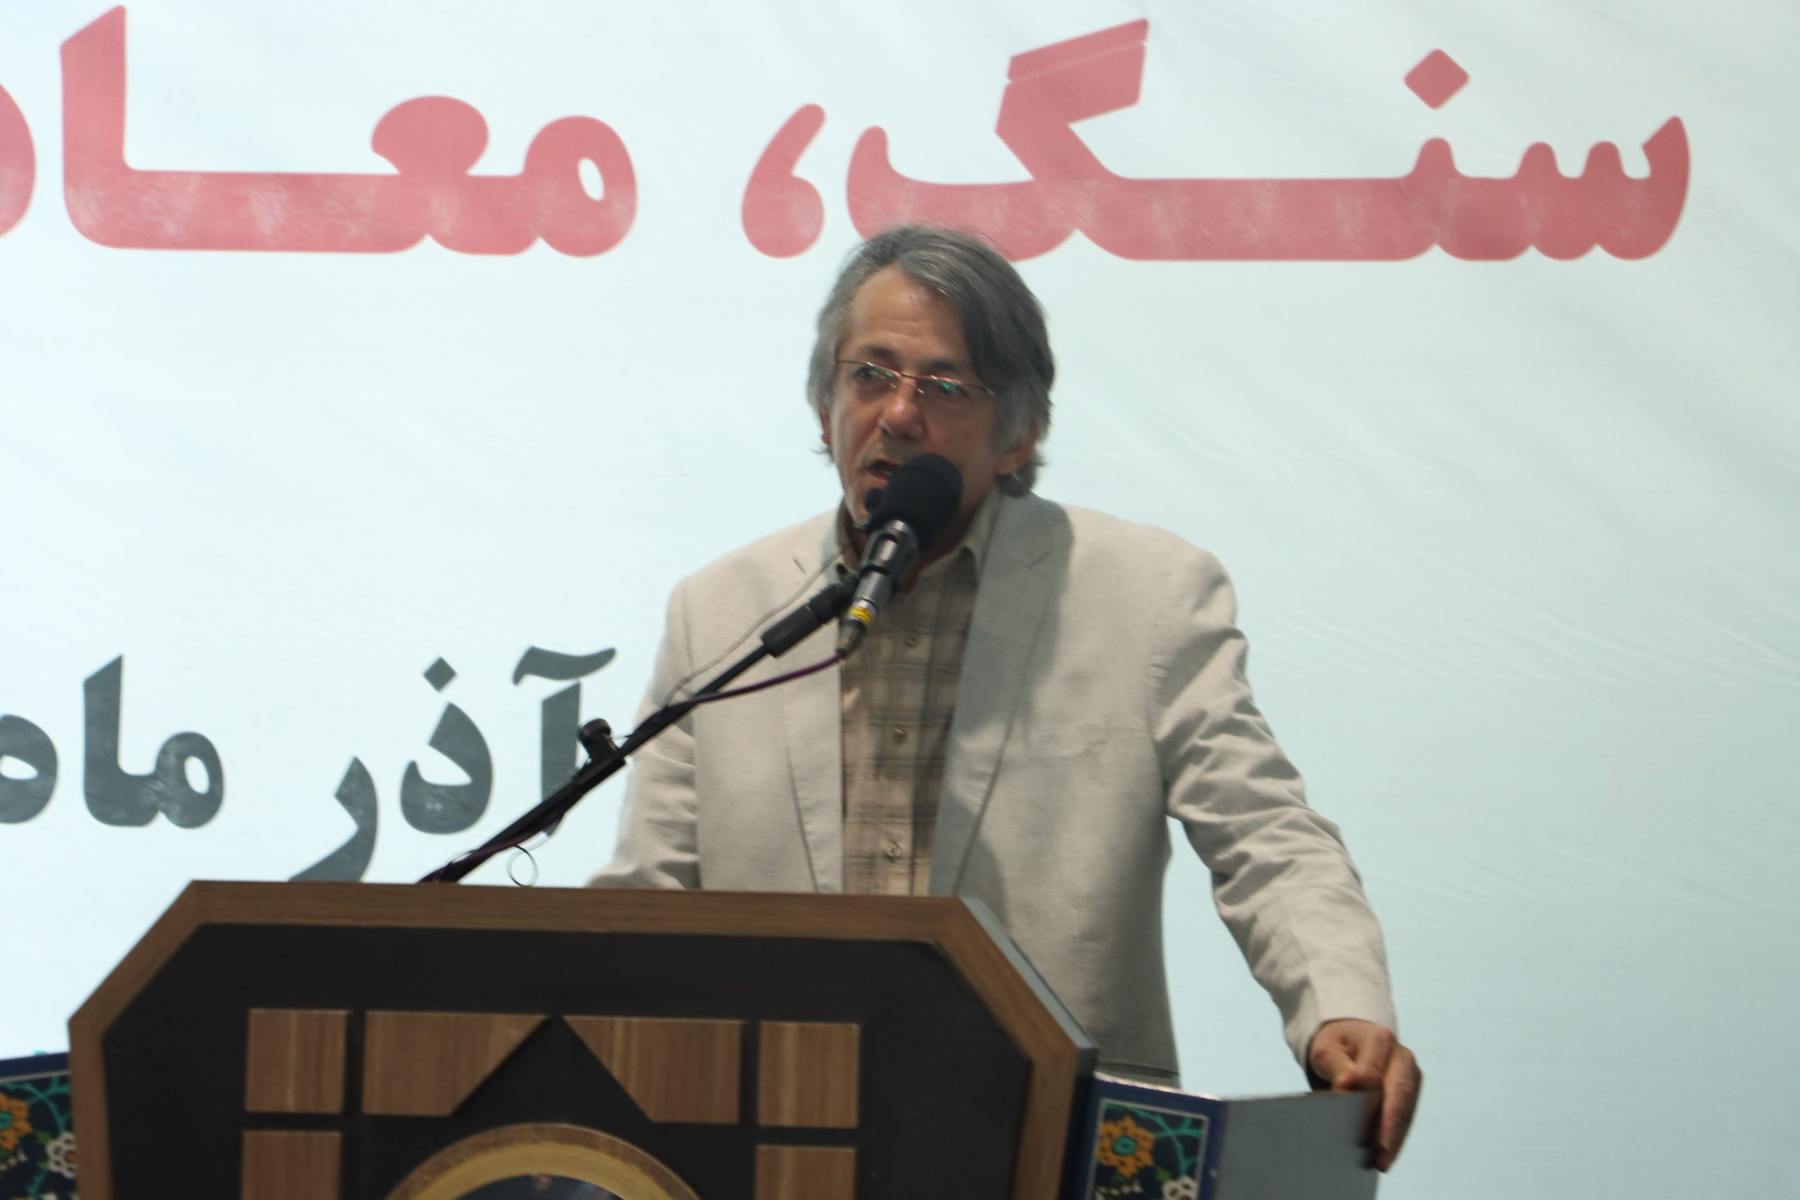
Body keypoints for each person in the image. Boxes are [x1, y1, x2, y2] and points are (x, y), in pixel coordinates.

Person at [593, 224, 1421, 1169]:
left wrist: (1340, 1006)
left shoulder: (1146, 596)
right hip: (774, 1134)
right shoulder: (722, 611)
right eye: (870, 376)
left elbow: (1265, 835)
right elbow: (650, 899)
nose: (898, 415)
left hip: (1048, 1137)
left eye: (944, 388)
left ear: (1018, 435)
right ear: (825, 406)